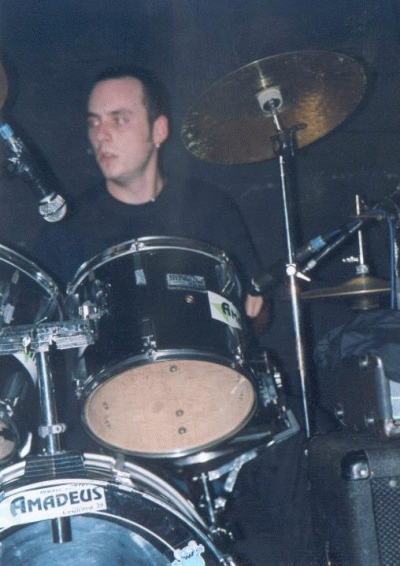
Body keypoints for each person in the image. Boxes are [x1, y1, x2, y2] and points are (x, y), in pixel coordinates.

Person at [34, 66, 265, 320]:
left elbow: (259, 319)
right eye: (94, 122)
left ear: (159, 131)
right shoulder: (68, 227)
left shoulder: (211, 209)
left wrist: (251, 307)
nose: (101, 135)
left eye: (119, 119)